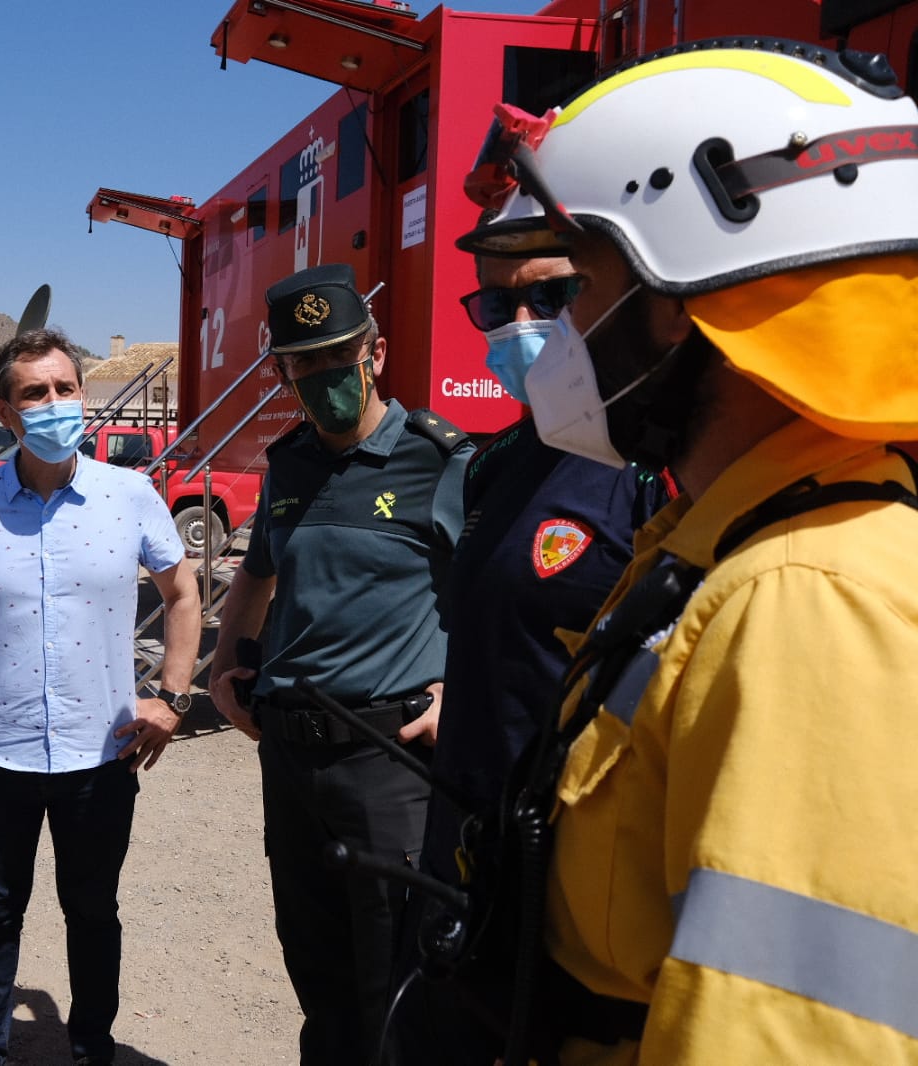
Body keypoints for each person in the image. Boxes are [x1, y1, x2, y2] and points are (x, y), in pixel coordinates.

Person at [455, 39, 918, 1063]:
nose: (551, 335)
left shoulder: (806, 597)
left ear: (671, 305)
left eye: (571, 291)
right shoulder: (720, 539)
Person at [400, 250, 671, 1062]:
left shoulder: (652, 464)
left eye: (550, 296)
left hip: (576, 878)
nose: (522, 326)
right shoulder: (497, 462)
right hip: (466, 852)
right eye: (498, 306)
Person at [0, 327, 202, 1066]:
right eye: (34, 393)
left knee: (93, 911)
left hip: (98, 754)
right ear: (7, 413)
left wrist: (171, 698)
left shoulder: (129, 496)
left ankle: (91, 1047)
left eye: (65, 388)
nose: (53, 404)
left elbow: (183, 594)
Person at [207, 263, 474, 1066]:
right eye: (303, 364)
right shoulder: (288, 466)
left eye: (336, 357)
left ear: (376, 353)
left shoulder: (440, 462)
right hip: (290, 758)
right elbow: (257, 570)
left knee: (397, 974)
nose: (321, 378)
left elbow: (487, 593)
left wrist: (457, 686)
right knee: (316, 971)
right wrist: (223, 667)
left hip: (389, 759)